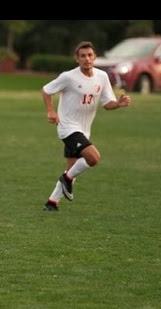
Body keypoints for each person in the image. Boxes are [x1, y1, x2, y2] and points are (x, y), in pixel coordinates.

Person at [41, 41, 131, 211]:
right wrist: (51, 111)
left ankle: (52, 203)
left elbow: (107, 104)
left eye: (90, 55)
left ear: (95, 57)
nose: (87, 59)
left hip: (84, 130)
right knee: (93, 158)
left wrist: (118, 103)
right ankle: (66, 179)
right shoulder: (68, 77)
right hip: (67, 127)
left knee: (73, 169)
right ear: (77, 59)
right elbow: (46, 90)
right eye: (82, 56)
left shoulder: (102, 77)